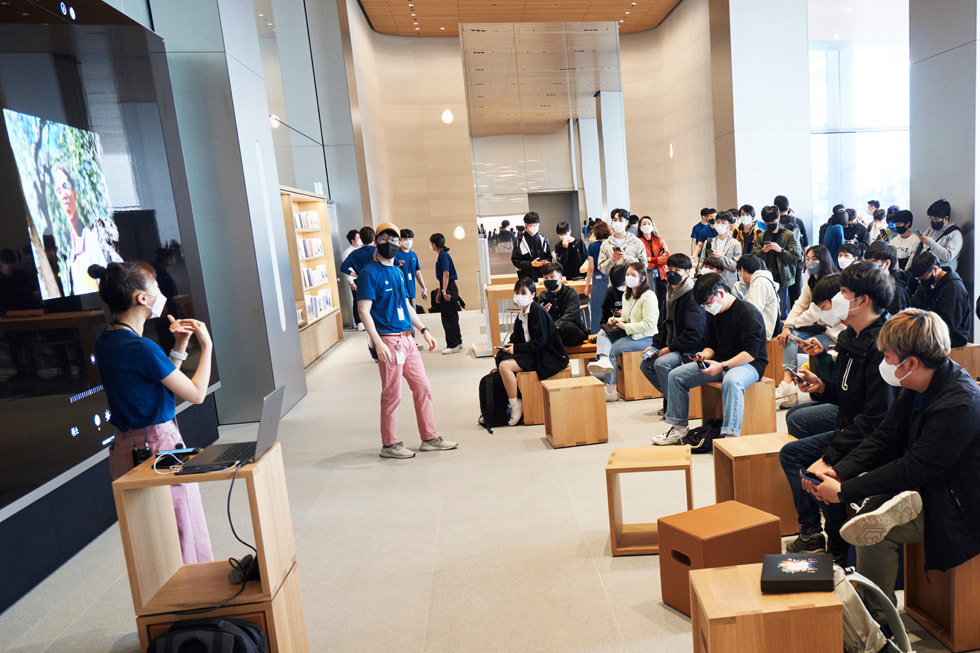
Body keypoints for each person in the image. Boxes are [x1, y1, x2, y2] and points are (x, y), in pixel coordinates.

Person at [805, 309, 980, 625]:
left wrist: (844, 491)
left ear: (910, 362)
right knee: (867, 519)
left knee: (872, 532)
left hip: (958, 502)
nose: (883, 362)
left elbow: (915, 467)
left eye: (887, 355)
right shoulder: (917, 383)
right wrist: (840, 471)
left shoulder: (959, 402)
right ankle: (870, 606)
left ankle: (876, 623)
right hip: (924, 483)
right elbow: (886, 436)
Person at [89, 261, 213, 563]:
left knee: (151, 544)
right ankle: (197, 607)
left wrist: (180, 346)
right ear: (142, 299)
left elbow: (159, 383)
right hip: (159, 448)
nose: (161, 292)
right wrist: (206, 346)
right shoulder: (142, 348)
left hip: (125, 451)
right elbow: (195, 394)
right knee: (184, 539)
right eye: (155, 287)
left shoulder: (107, 341)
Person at [777, 261, 897, 562]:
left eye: (843, 292)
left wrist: (829, 457)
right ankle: (818, 533)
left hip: (873, 437)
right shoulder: (850, 337)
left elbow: (875, 419)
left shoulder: (882, 344)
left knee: (813, 466)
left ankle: (835, 542)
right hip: (850, 427)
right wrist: (822, 388)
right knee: (794, 455)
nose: (838, 300)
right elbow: (848, 395)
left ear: (863, 301)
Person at [358, 223, 458, 459]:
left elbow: (406, 307)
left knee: (422, 387)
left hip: (407, 339)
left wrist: (424, 330)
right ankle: (389, 444)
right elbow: (364, 310)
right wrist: (377, 342)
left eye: (394, 240)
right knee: (392, 394)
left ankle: (429, 438)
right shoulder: (369, 273)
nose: (390, 244)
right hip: (389, 340)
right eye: (385, 239)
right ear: (376, 241)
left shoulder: (399, 273)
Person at [654, 273, 768, 443]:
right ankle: (678, 428)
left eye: (708, 303)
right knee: (676, 376)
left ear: (721, 294)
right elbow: (711, 345)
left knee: (731, 381)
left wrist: (722, 366)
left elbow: (751, 353)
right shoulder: (713, 313)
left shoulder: (748, 313)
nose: (707, 308)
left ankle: (730, 436)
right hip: (720, 361)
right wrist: (704, 355)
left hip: (750, 364)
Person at [491, 278, 569, 426]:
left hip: (547, 356)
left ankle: (516, 405)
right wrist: (510, 346)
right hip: (534, 351)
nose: (519, 295)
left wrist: (516, 348)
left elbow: (540, 342)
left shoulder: (537, 312)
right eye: (517, 292)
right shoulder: (523, 313)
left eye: (523, 292)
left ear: (533, 294)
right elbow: (517, 337)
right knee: (501, 358)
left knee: (504, 366)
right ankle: (511, 401)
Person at [775, 245, 843, 405]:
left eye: (814, 259)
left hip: (835, 335)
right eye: (808, 259)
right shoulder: (811, 281)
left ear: (823, 260)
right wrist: (787, 327)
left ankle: (792, 385)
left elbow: (813, 313)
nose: (810, 262)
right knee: (789, 336)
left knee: (791, 334)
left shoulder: (832, 283)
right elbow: (799, 304)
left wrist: (793, 323)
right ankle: (787, 382)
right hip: (820, 330)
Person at [640, 253, 705, 417]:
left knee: (661, 364)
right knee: (646, 365)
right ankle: (677, 398)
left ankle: (676, 408)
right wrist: (655, 345)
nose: (672, 273)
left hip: (689, 348)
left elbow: (694, 334)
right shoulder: (668, 291)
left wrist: (669, 349)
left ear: (687, 272)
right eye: (669, 269)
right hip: (671, 344)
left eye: (677, 270)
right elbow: (662, 323)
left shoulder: (692, 296)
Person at [587, 262, 659, 402]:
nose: (629, 278)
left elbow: (649, 324)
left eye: (633, 275)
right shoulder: (628, 294)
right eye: (627, 275)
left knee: (612, 350)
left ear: (643, 277)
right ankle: (603, 360)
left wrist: (625, 327)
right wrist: (614, 320)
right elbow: (626, 318)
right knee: (603, 332)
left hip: (646, 337)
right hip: (631, 333)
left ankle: (610, 389)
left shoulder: (648, 296)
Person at [909, 251, 971, 347]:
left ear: (934, 269)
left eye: (924, 277)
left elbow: (949, 324)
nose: (922, 280)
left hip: (951, 337)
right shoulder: (927, 284)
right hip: (930, 331)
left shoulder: (954, 288)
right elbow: (915, 305)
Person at [752, 205, 798, 319]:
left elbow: (794, 257)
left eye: (772, 222)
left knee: (782, 309)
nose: (770, 225)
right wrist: (763, 251)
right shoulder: (761, 236)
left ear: (778, 219)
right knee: (766, 308)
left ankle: (781, 332)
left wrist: (780, 250)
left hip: (782, 277)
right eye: (767, 223)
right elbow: (753, 257)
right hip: (766, 276)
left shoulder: (788, 235)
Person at [538, 263, 588, 347]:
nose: (549, 280)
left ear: (560, 278)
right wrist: (542, 313)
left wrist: (554, 327)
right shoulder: (543, 295)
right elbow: (541, 320)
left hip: (572, 330)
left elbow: (570, 314)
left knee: (566, 327)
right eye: (546, 278)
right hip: (552, 333)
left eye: (552, 277)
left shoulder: (571, 293)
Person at [430, 232, 463, 354]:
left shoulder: (443, 255)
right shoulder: (443, 254)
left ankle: (452, 344)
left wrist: (443, 290)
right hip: (448, 286)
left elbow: (446, 274)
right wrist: (440, 290)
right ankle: (458, 341)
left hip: (448, 287)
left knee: (448, 317)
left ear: (434, 244)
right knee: (452, 316)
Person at [732, 254, 780, 339]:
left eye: (739, 271)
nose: (740, 275)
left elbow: (751, 313)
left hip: (760, 334)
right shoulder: (761, 280)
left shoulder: (759, 283)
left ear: (742, 269)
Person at [910, 198, 963, 272]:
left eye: (935, 219)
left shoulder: (955, 234)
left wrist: (931, 243)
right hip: (925, 272)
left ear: (946, 218)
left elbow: (948, 256)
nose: (933, 222)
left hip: (942, 273)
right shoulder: (931, 229)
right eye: (931, 219)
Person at [395, 229, 428, 345]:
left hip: (411, 291)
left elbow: (417, 272)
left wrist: (424, 288)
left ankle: (412, 342)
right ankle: (405, 341)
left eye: (410, 239)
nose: (408, 241)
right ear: (400, 240)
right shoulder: (396, 255)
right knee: (402, 317)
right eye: (405, 239)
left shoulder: (414, 255)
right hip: (400, 293)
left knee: (412, 317)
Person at [341, 226, 376, 332]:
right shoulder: (377, 250)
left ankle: (368, 326)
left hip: (363, 281)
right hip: (376, 280)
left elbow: (343, 267)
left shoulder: (355, 253)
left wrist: (356, 275)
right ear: (374, 238)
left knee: (363, 304)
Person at [637, 216, 670, 323]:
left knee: (662, 301)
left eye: (648, 223)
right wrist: (657, 259)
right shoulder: (638, 242)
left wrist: (651, 259)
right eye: (644, 224)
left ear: (652, 225)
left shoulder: (659, 240)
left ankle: (661, 325)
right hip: (646, 277)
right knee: (648, 302)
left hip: (661, 275)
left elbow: (666, 258)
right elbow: (641, 261)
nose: (646, 226)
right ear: (640, 227)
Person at [695, 211, 740, 287]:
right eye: (718, 222)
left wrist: (721, 257)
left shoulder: (735, 244)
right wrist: (700, 276)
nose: (720, 225)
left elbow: (736, 266)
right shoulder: (709, 242)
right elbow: (701, 261)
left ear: (729, 226)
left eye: (723, 223)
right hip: (710, 282)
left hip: (728, 283)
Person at [865, 241, 910, 315]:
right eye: (867, 261)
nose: (868, 265)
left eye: (873, 261)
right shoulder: (877, 280)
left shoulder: (896, 291)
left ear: (886, 263)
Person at [597, 210, 646, 277]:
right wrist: (612, 260)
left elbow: (644, 264)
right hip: (614, 283)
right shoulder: (606, 244)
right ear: (611, 222)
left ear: (626, 222)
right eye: (615, 220)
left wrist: (627, 258)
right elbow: (601, 268)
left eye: (620, 220)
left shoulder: (636, 242)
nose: (617, 223)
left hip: (633, 283)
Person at [584, 220, 612, 334]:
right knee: (611, 308)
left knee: (596, 309)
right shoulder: (612, 244)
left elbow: (591, 267)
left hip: (598, 279)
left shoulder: (592, 246)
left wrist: (587, 285)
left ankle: (596, 334)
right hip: (611, 278)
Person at [512, 211, 552, 280]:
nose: (534, 227)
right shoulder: (519, 240)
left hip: (542, 275)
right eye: (531, 225)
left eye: (536, 225)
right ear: (526, 224)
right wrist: (530, 264)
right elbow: (515, 260)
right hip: (526, 276)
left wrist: (546, 262)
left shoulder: (543, 238)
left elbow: (549, 256)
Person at [341, 229, 363, 330]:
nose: (360, 239)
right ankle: (358, 322)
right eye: (358, 238)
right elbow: (346, 269)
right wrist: (351, 281)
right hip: (355, 279)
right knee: (357, 300)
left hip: (364, 277)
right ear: (353, 240)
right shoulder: (348, 252)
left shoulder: (362, 249)